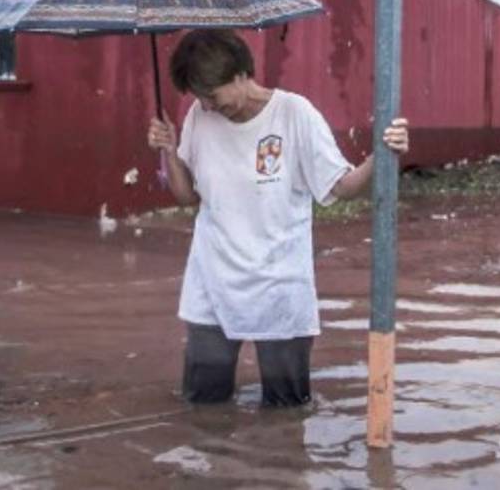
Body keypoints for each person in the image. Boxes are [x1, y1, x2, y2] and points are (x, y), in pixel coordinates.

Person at [146, 28, 409, 407]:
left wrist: (384, 155)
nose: (206, 105)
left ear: (240, 74)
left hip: (280, 286)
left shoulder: (294, 113)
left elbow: (343, 186)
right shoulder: (199, 118)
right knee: (203, 407)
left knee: (287, 411)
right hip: (212, 283)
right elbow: (188, 198)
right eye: (199, 98)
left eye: (212, 95)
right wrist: (170, 152)